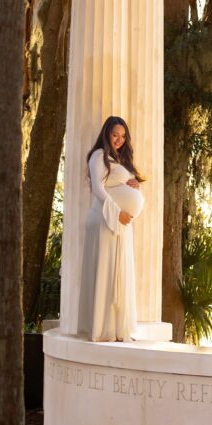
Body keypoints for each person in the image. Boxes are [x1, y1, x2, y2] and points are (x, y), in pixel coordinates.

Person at [79, 116, 145, 342]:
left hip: (121, 225)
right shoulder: (98, 155)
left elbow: (117, 185)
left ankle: (118, 328)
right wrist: (118, 213)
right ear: (106, 134)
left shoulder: (118, 159)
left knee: (120, 272)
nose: (119, 139)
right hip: (106, 220)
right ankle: (101, 329)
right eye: (115, 134)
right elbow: (98, 189)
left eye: (123, 136)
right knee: (106, 271)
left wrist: (133, 182)